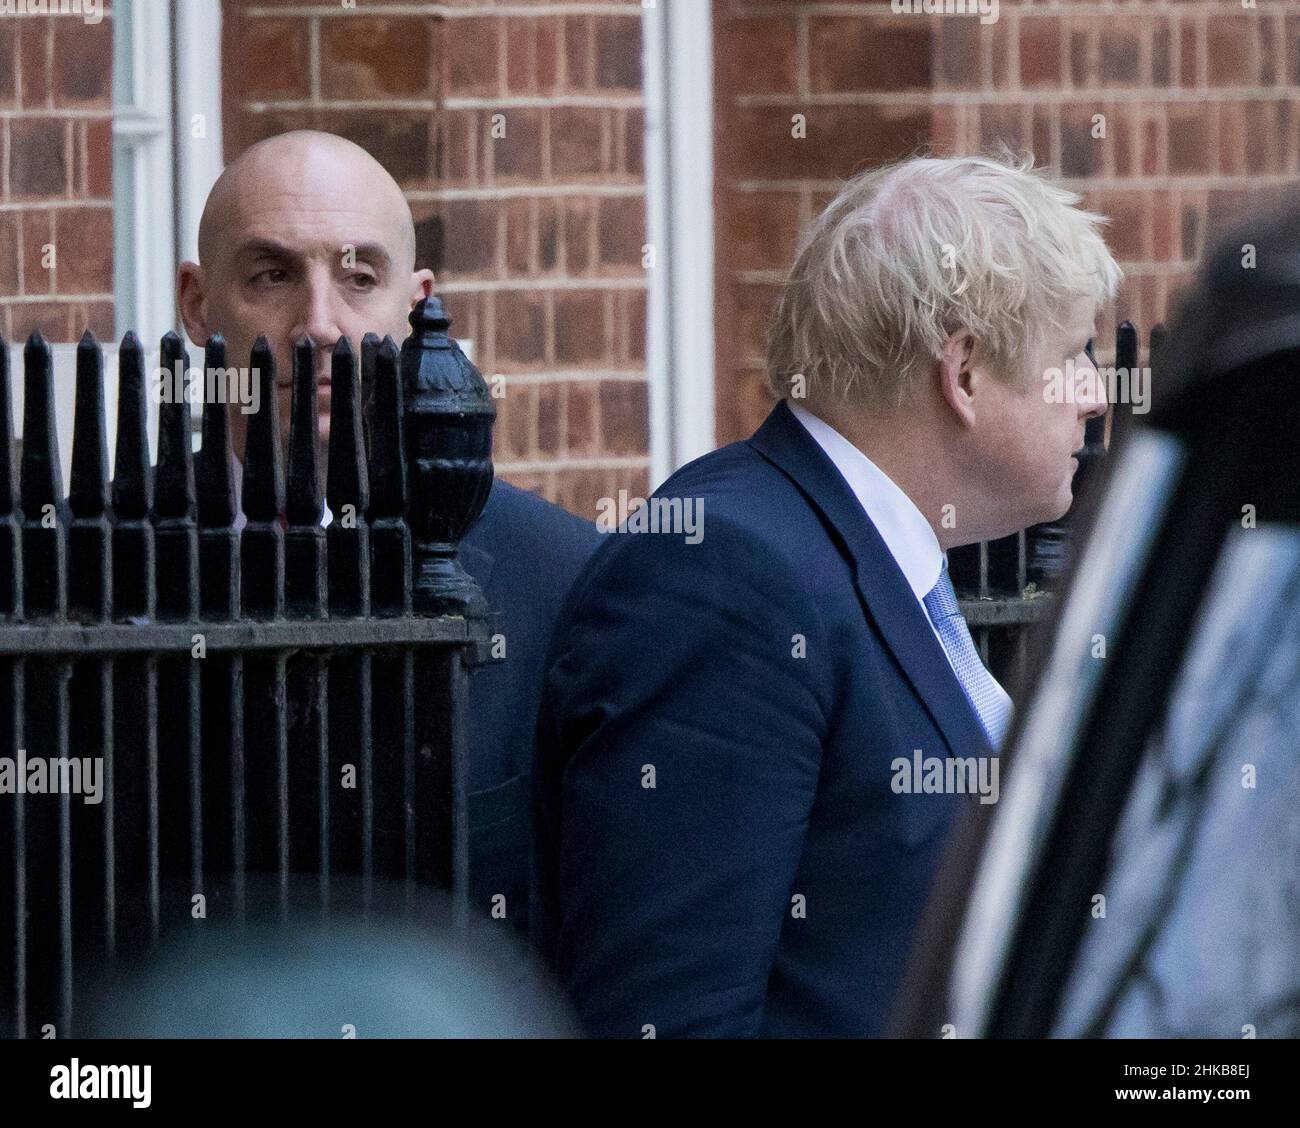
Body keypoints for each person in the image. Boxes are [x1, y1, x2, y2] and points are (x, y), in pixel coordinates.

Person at [532, 153, 1119, 1037]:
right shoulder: (728, 574)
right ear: (961, 371)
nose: (1096, 394)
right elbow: (670, 1015)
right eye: (1073, 354)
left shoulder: (873, 554)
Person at [177, 130, 600, 936]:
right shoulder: (77, 570)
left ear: (418, 302)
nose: (320, 324)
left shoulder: (564, 580)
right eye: (271, 274)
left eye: (358, 276)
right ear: (197, 304)